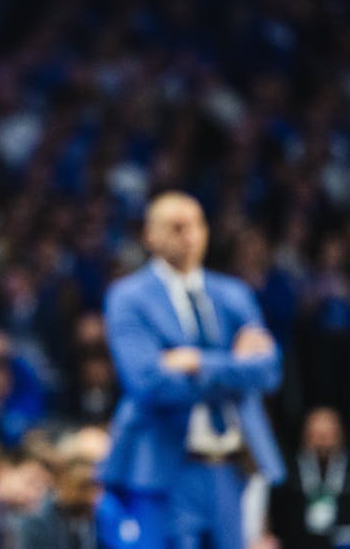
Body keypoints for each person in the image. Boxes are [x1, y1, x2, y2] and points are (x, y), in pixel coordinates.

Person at [101, 191, 284, 549]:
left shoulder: (234, 294)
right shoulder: (129, 297)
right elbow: (148, 383)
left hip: (232, 468)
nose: (190, 236)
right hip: (164, 466)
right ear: (150, 236)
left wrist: (197, 362)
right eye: (176, 227)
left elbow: (267, 372)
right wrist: (233, 369)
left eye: (197, 225)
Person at [269, 407, 350, 549]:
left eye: (328, 435)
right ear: (305, 437)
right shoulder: (288, 476)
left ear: (340, 436)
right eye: (316, 435)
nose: (322, 443)